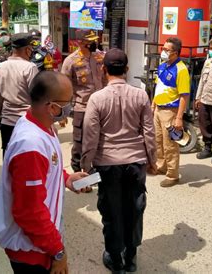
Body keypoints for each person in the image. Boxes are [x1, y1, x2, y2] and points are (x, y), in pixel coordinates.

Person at [0, 71, 88, 274]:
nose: (70, 106)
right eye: (68, 101)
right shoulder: (31, 145)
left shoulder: (40, 123)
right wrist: (58, 251)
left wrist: (67, 179)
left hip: (39, 244)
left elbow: (47, 168)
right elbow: (29, 212)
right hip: (32, 250)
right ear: (53, 107)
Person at [81, 49, 156, 274]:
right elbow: (149, 132)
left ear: (104, 70)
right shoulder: (141, 95)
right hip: (136, 162)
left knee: (112, 212)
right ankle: (131, 258)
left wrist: (86, 166)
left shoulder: (96, 98)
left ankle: (115, 259)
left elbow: (90, 136)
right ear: (126, 69)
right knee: (134, 209)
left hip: (107, 164)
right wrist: (152, 159)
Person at [61, 29, 104, 172]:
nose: (93, 43)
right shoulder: (71, 61)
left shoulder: (100, 57)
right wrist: (63, 112)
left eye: (94, 40)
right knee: (80, 144)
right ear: (80, 42)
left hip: (100, 107)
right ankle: (78, 173)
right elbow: (64, 88)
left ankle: (95, 170)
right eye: (89, 40)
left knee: (100, 141)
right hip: (82, 108)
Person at [151, 37, 190, 187]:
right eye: (163, 49)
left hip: (170, 111)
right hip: (158, 108)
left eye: (167, 50)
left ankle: (173, 175)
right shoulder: (163, 66)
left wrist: (179, 117)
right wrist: (153, 104)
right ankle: (162, 166)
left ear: (175, 52)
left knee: (170, 144)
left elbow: (184, 95)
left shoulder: (181, 69)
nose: (163, 52)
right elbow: (158, 87)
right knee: (158, 140)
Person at [0, 32, 39, 156]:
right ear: (27, 49)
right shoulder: (30, 68)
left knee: (8, 157)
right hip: (27, 122)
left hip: (7, 122)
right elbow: (36, 97)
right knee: (27, 158)